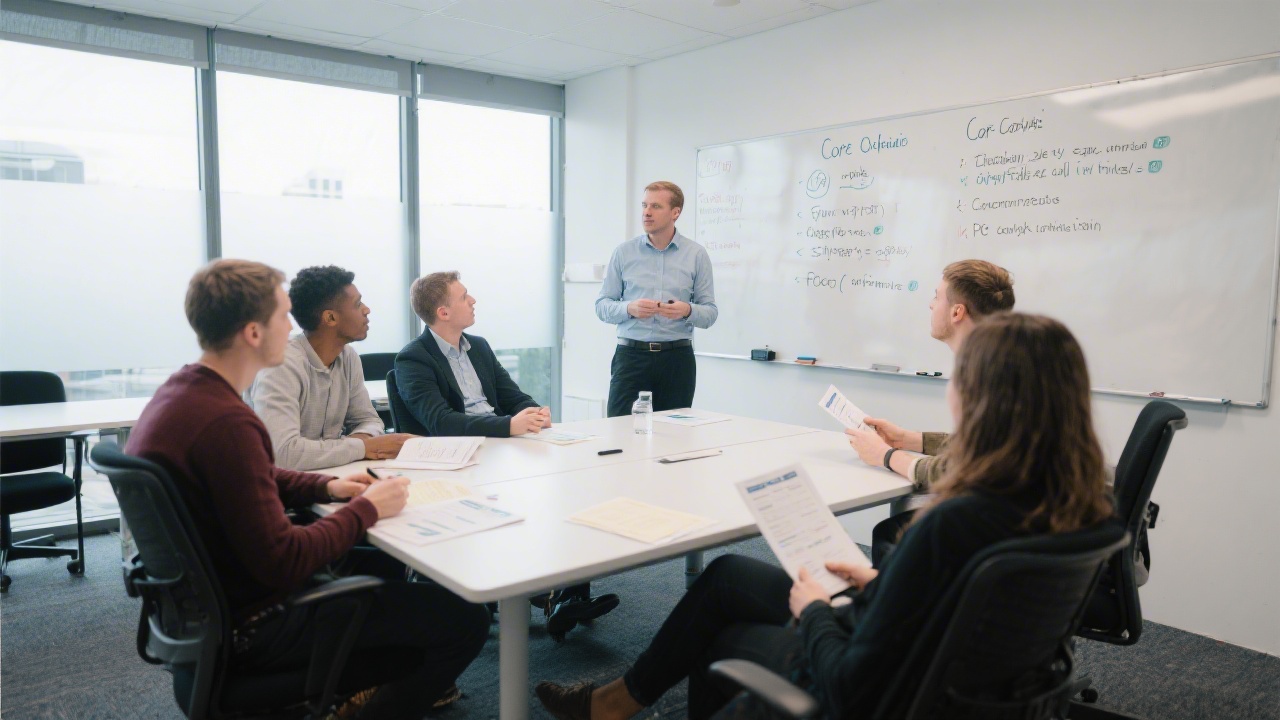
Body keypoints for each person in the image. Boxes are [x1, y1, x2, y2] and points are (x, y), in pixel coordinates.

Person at [535, 312, 1114, 720]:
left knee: (724, 641)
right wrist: (886, 583)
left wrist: (814, 612)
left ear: (981, 398)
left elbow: (853, 685)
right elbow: (971, 600)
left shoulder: (954, 521)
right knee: (728, 576)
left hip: (893, 691)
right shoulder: (1089, 507)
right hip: (965, 677)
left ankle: (612, 704)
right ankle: (613, 703)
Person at [127, 260, 490, 718]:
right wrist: (366, 510)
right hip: (257, 625)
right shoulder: (227, 422)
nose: (294, 325)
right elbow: (285, 559)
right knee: (464, 620)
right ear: (255, 332)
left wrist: (326, 487)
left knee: (384, 562)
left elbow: (258, 472)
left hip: (209, 608)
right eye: (284, 315)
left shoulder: (185, 394)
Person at [395, 271, 620, 638]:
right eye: (464, 296)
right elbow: (439, 422)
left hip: (504, 445)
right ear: (443, 312)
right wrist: (508, 426)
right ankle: (550, 595)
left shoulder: (478, 346)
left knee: (566, 488)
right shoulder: (414, 359)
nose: (473, 301)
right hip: (465, 456)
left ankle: (564, 595)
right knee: (527, 503)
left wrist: (535, 411)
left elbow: (511, 395)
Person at [846, 259, 1014, 565]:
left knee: (901, 521)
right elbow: (982, 447)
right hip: (1014, 513)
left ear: (957, 312)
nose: (930, 305)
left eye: (936, 296)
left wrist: (884, 456)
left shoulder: (986, 376)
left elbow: (958, 469)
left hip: (998, 523)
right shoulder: (1003, 362)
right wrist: (909, 440)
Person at [251, 265, 414, 471]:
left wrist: (360, 444)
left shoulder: (348, 357)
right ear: (330, 318)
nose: (367, 309)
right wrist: (362, 447)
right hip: (282, 489)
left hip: (334, 474)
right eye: (357, 304)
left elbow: (368, 420)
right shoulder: (281, 365)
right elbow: (283, 454)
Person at [596, 181, 718, 417]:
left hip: (677, 360)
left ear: (675, 212)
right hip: (631, 358)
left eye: (655, 206)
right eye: (644, 205)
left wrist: (687, 311)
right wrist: (629, 308)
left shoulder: (696, 255)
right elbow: (602, 306)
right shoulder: (623, 252)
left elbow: (710, 313)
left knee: (673, 437)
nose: (646, 212)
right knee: (621, 431)